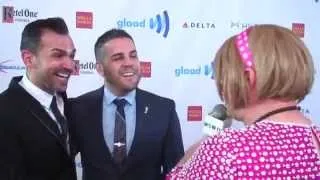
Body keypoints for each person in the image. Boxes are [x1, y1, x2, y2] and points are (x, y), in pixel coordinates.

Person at [166, 24, 320, 179]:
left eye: (222, 77)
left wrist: (208, 139)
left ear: (248, 79)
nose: (219, 84)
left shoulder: (226, 149)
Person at [70, 29, 184, 179]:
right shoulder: (78, 108)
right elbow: (60, 165)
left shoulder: (164, 109)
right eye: (118, 58)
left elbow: (176, 171)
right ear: (100, 69)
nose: (129, 63)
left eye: (133, 55)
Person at [0, 17, 77, 180]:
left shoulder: (69, 105)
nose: (70, 66)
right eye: (58, 55)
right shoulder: (4, 112)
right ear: (28, 59)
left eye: (71, 56)